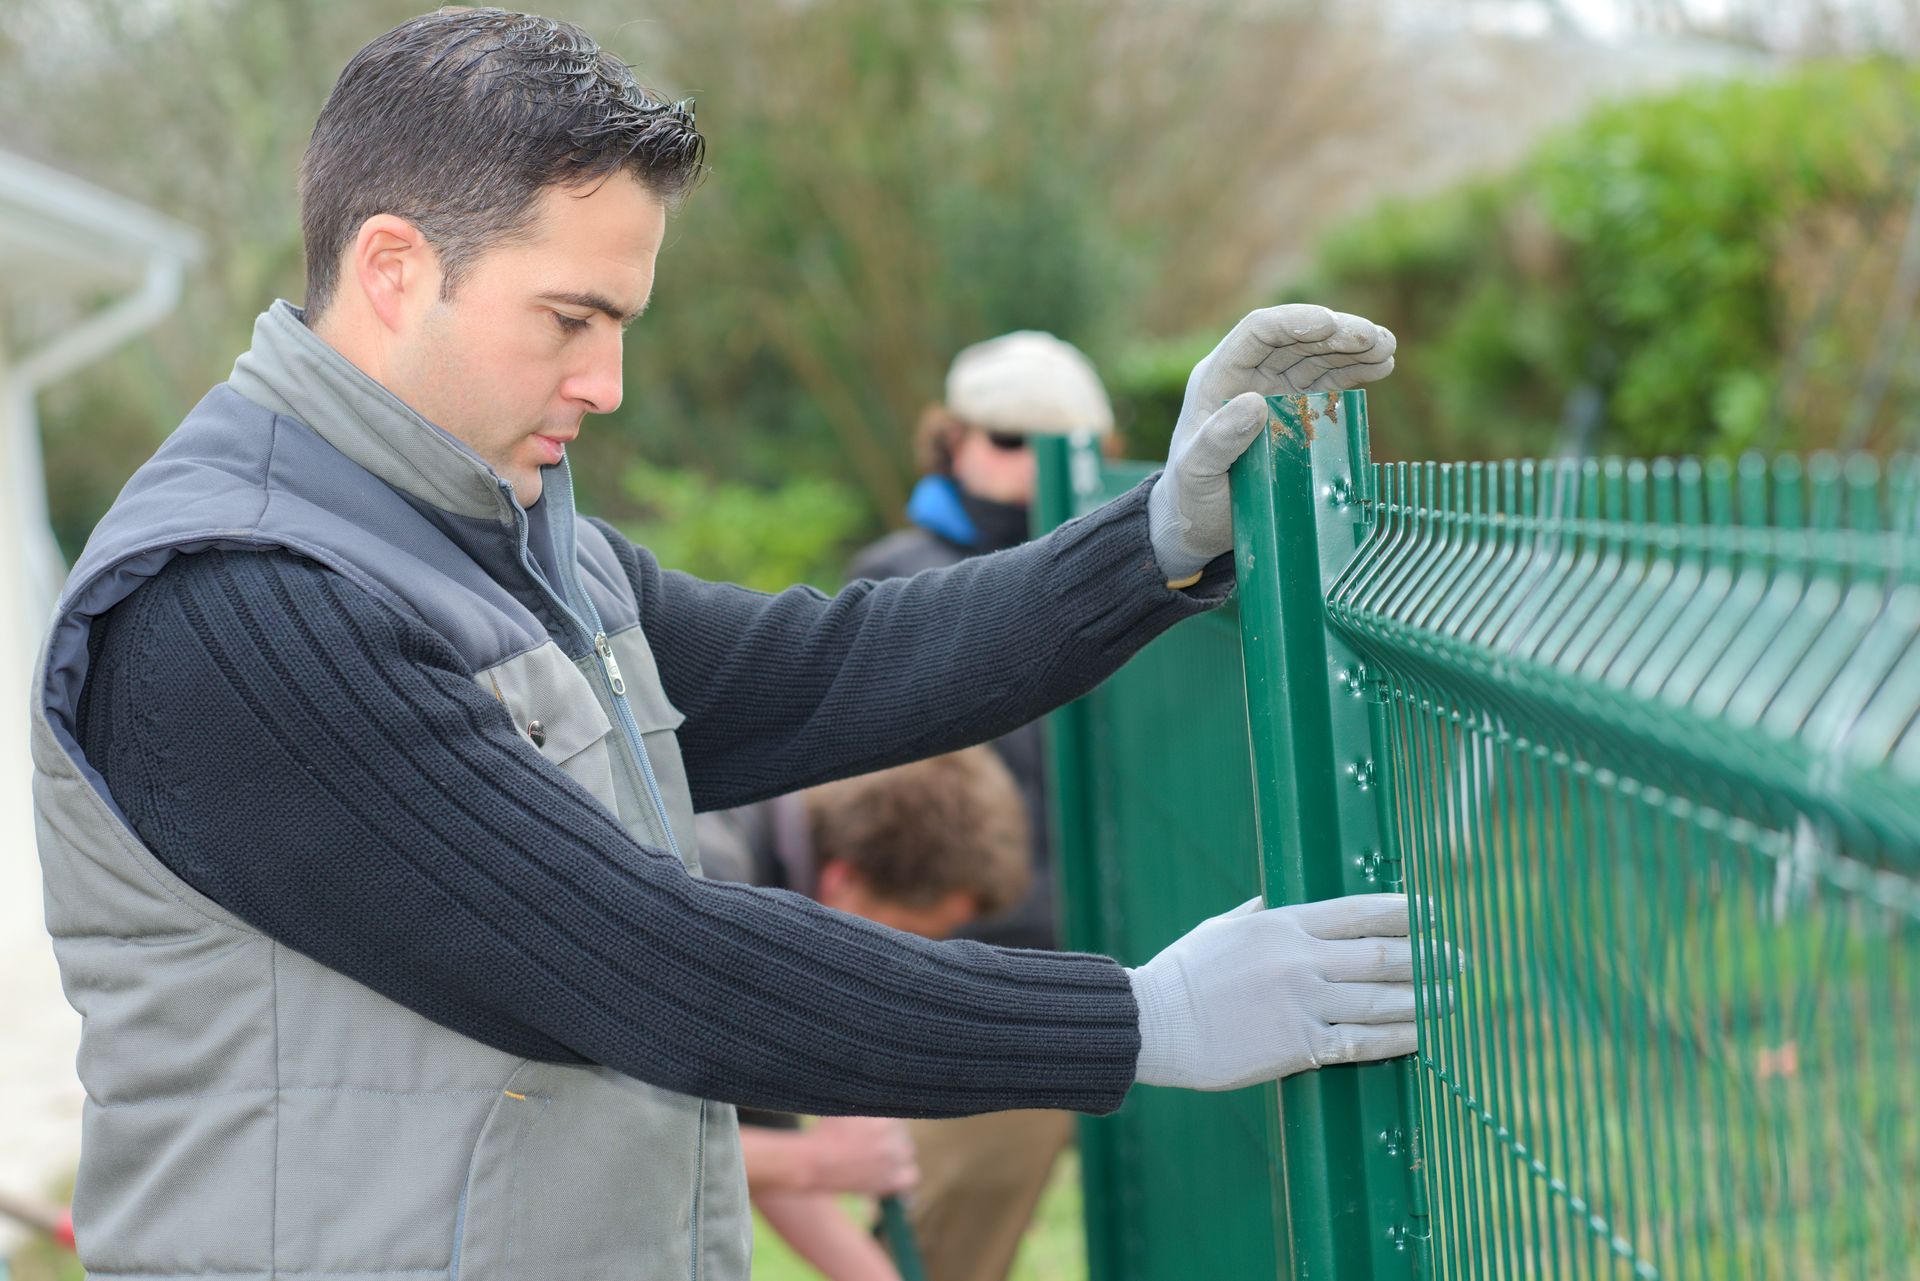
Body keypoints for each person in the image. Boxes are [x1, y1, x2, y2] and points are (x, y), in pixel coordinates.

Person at [29, 9, 1420, 1281]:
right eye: (569, 320)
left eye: (621, 324)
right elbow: (645, 963)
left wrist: (1150, 540)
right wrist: (1138, 1022)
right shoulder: (233, 604)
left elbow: (816, 673)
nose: (608, 384)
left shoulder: (525, 542)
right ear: (395, 269)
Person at [849, 330, 1113, 1281]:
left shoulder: (1129, 584)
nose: (1026, 470)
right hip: (981, 988)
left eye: (1059, 448)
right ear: (949, 439)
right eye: (1006, 440)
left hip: (1127, 962)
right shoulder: (899, 580)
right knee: (944, 1254)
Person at [698, 747, 1033, 1281]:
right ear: (843, 882)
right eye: (907, 936)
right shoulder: (708, 886)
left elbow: (737, 1127)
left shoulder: (769, 866)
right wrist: (819, 1162)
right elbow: (626, 1133)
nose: (901, 967)